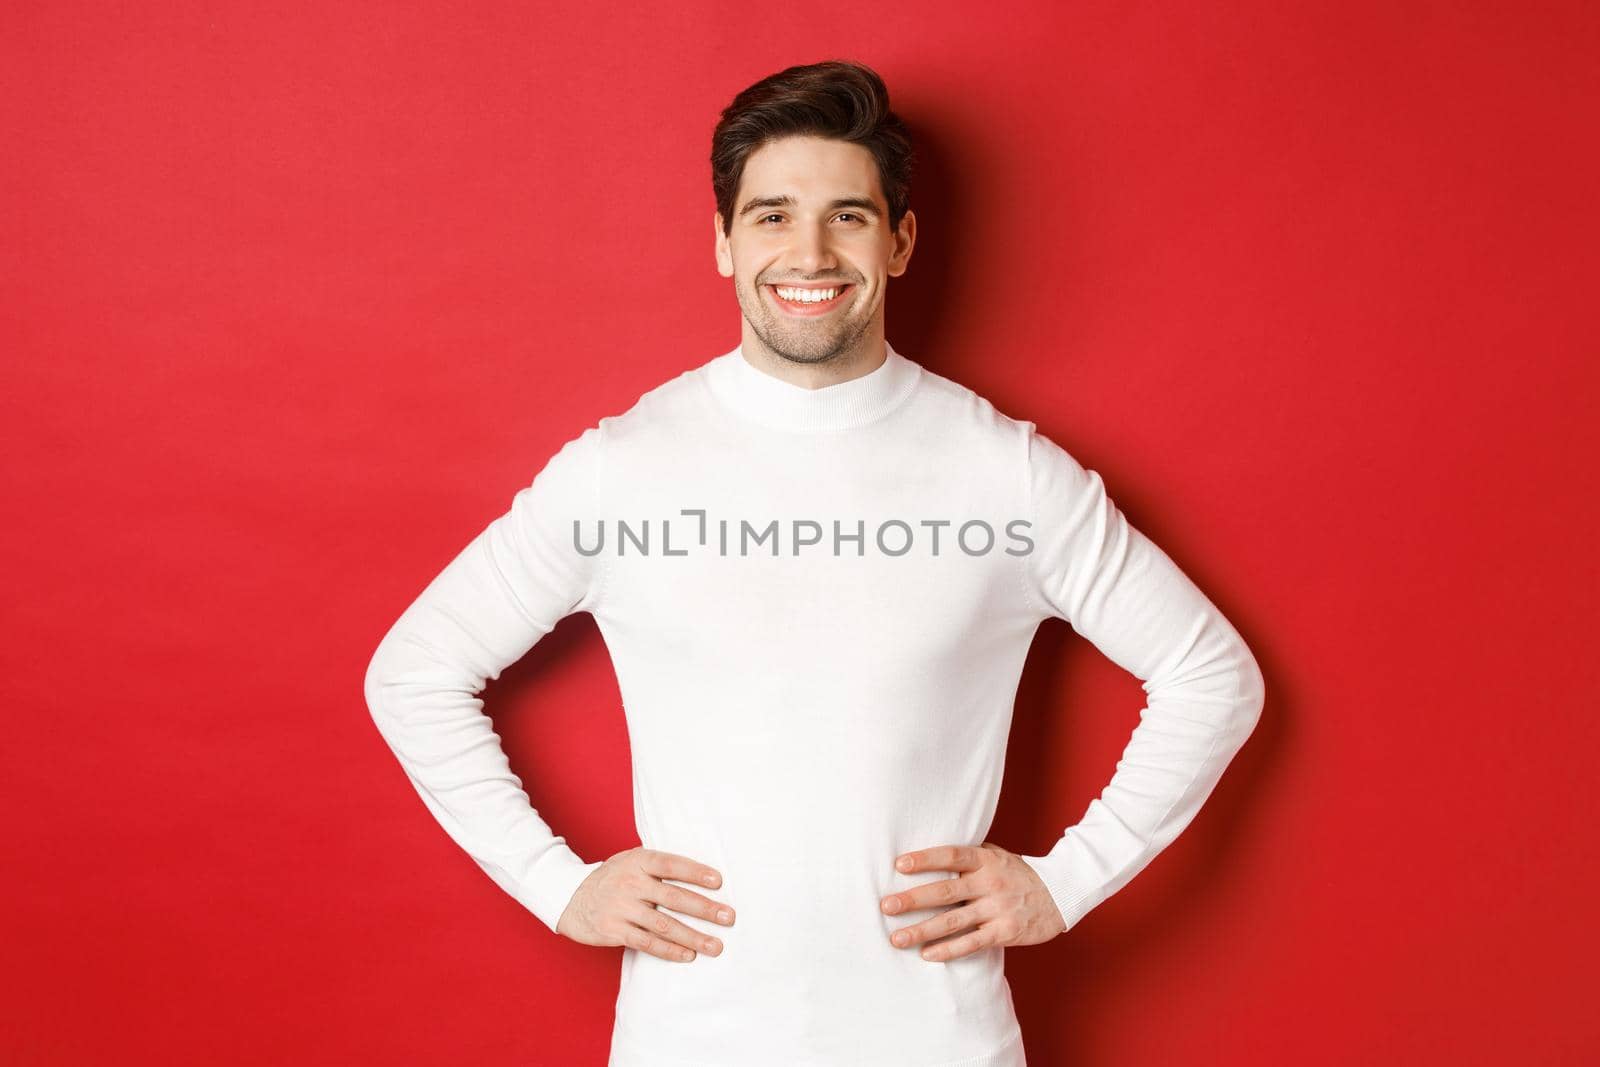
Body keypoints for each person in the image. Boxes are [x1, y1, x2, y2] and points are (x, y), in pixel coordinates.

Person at [363, 58, 1265, 1067]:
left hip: (942, 1041)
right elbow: (414, 669)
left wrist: (1067, 878)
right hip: (688, 1039)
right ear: (721, 240)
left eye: (847, 214)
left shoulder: (1003, 472)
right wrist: (552, 880)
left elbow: (1210, 674)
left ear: (899, 239)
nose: (808, 250)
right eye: (771, 215)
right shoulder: (623, 469)